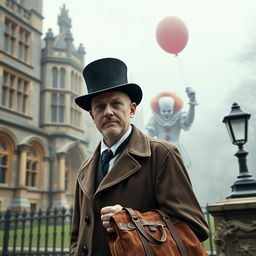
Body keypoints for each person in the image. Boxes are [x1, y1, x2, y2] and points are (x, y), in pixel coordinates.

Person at [70, 57, 209, 256]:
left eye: (116, 104)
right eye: (100, 107)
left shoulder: (162, 154)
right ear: (93, 116)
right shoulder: (84, 168)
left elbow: (194, 227)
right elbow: (77, 236)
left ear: (132, 109)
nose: (108, 112)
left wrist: (129, 220)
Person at [146, 89, 198, 168]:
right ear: (159, 110)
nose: (166, 113)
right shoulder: (154, 120)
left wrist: (192, 102)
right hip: (160, 151)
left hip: (176, 150)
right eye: (164, 111)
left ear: (174, 108)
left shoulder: (178, 117)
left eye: (169, 110)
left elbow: (188, 121)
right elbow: (149, 139)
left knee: (177, 173)